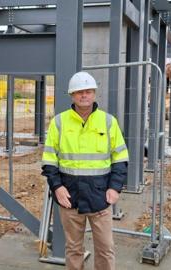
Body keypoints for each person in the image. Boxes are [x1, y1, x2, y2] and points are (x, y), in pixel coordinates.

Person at [41, 71, 129, 270]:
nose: (84, 95)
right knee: (73, 248)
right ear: (72, 95)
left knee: (106, 249)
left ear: (94, 94)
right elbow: (49, 160)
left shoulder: (108, 122)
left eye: (88, 91)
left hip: (100, 197)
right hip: (69, 197)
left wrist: (115, 188)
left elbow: (121, 158)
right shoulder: (59, 122)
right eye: (79, 92)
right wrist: (57, 187)